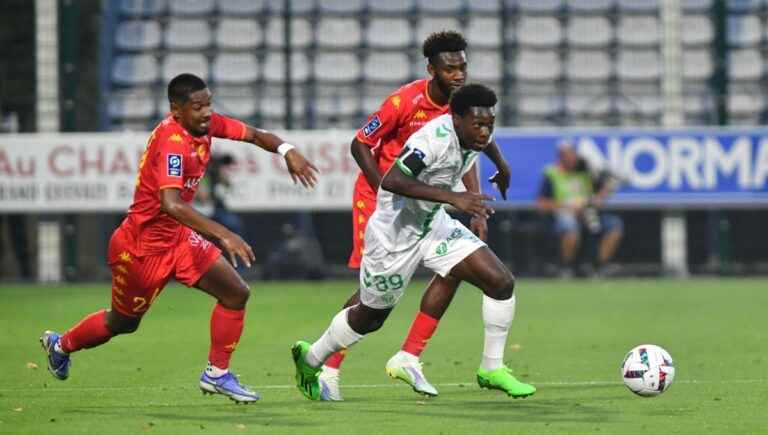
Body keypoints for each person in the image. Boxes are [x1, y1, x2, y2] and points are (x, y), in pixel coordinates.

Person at [39, 73, 318, 404]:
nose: (206, 113)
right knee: (123, 323)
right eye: (198, 106)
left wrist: (288, 150)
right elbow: (170, 203)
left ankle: (217, 374)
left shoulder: (205, 125)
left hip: (179, 240)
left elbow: (255, 135)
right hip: (141, 248)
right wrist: (224, 234)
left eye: (208, 104)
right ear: (176, 110)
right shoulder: (173, 142)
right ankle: (61, 345)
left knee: (235, 293)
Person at [292, 84, 536, 401]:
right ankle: (311, 359)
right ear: (455, 119)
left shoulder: (475, 131)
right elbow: (393, 180)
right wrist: (453, 197)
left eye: (490, 123)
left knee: (500, 282)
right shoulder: (430, 140)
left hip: (432, 223)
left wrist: (502, 165)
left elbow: (485, 142)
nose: (485, 131)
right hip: (394, 232)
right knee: (370, 316)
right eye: (478, 125)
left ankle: (492, 368)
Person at [319, 31, 511, 401]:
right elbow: (360, 142)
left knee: (457, 265)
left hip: (427, 200)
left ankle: (409, 356)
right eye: (450, 68)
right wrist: (380, 190)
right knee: (372, 295)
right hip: (384, 197)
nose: (458, 75)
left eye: (462, 67)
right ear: (432, 69)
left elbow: (466, 152)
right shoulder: (403, 102)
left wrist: (471, 198)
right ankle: (329, 368)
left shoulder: (462, 107)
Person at [536, 141, 623, 277]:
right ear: (561, 158)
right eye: (568, 156)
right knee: (570, 228)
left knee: (614, 225)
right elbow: (541, 204)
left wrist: (601, 195)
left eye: (573, 155)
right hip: (564, 213)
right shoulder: (552, 174)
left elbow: (599, 194)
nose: (572, 159)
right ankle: (565, 266)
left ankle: (600, 265)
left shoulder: (585, 172)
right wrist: (566, 207)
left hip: (587, 212)